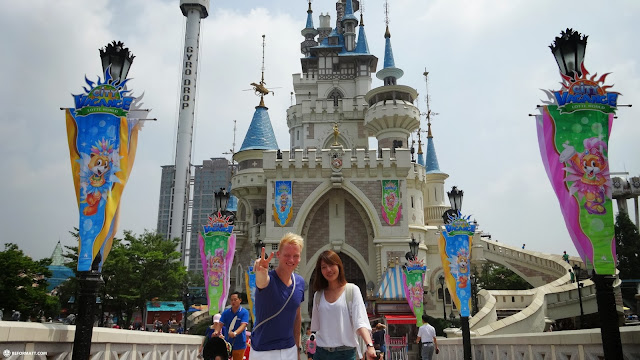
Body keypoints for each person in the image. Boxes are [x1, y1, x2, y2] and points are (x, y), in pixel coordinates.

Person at [310, 250, 376, 360]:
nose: (328, 270)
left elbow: (360, 321)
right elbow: (316, 327)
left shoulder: (352, 290)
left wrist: (370, 346)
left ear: (339, 265)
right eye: (324, 267)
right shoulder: (318, 295)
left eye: (331, 265)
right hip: (321, 353)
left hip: (345, 353)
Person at [251, 232, 306, 360]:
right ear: (278, 255)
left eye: (295, 256)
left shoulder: (300, 282)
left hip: (289, 350)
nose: (291, 260)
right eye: (287, 255)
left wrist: (297, 348)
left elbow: (297, 316)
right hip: (263, 351)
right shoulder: (269, 279)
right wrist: (260, 271)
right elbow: (261, 281)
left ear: (300, 258)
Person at [215, 291, 250, 360]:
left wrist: (235, 333)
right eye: (231, 300)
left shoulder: (244, 312)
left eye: (235, 300)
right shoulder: (226, 313)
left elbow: (243, 325)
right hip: (227, 343)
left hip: (240, 343)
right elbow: (220, 324)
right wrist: (216, 331)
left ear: (240, 300)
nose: (233, 302)